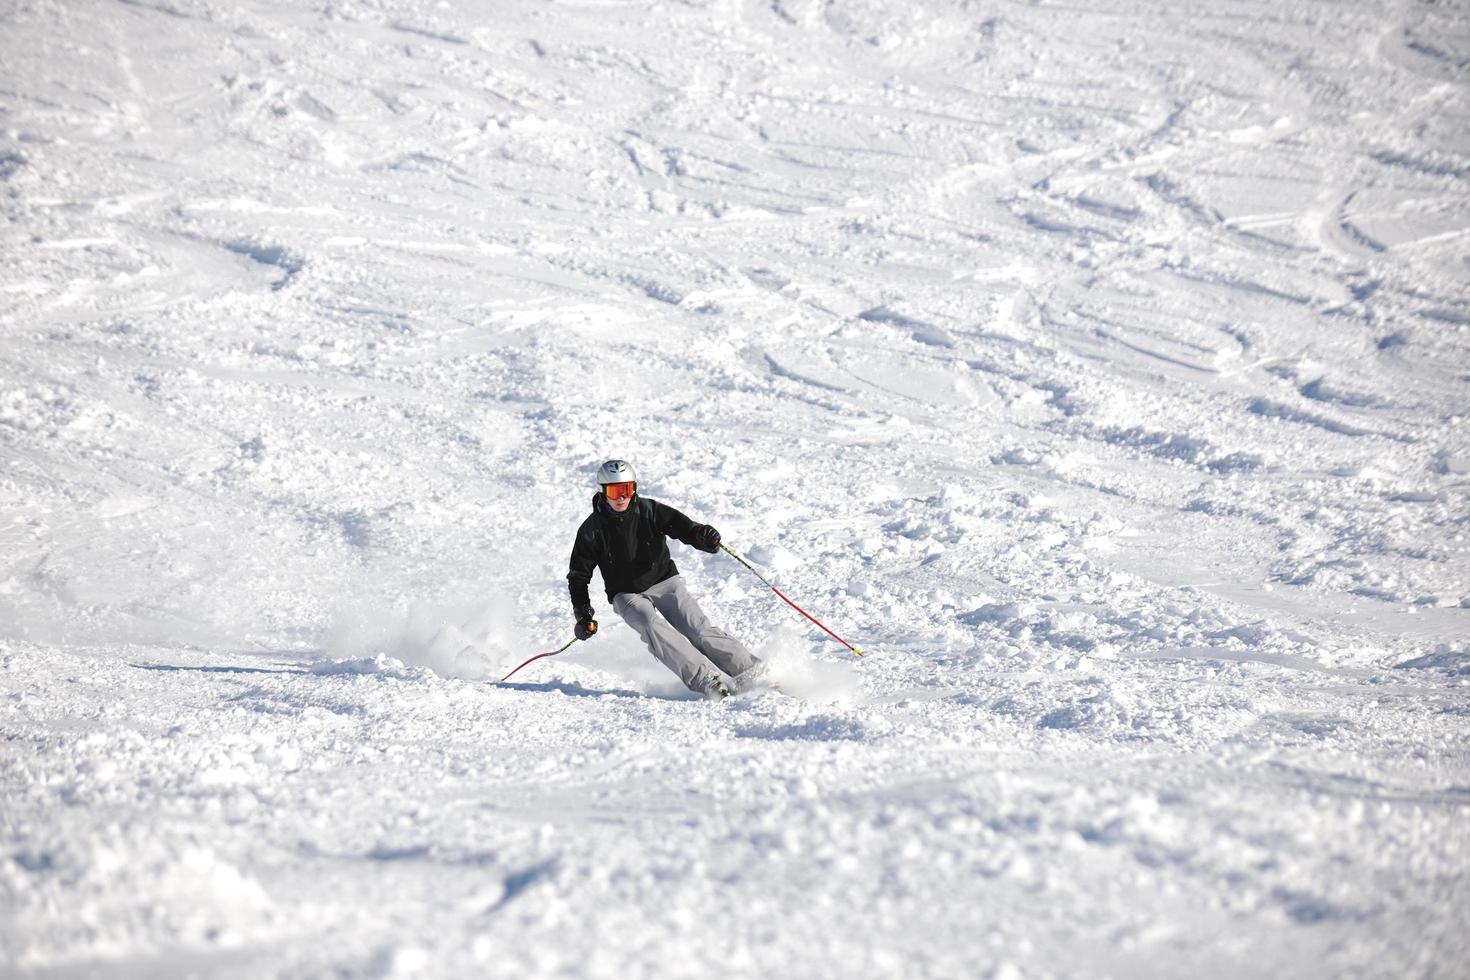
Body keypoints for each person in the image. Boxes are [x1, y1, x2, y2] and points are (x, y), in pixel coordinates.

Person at [567, 459, 763, 699]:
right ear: (603, 491)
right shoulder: (591, 530)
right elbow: (578, 576)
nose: (621, 497)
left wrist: (703, 536)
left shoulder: (649, 510)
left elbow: (684, 528)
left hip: (664, 580)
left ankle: (750, 671)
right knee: (648, 622)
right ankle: (707, 679)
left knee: (697, 628)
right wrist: (583, 614)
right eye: (615, 491)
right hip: (625, 593)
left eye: (626, 490)